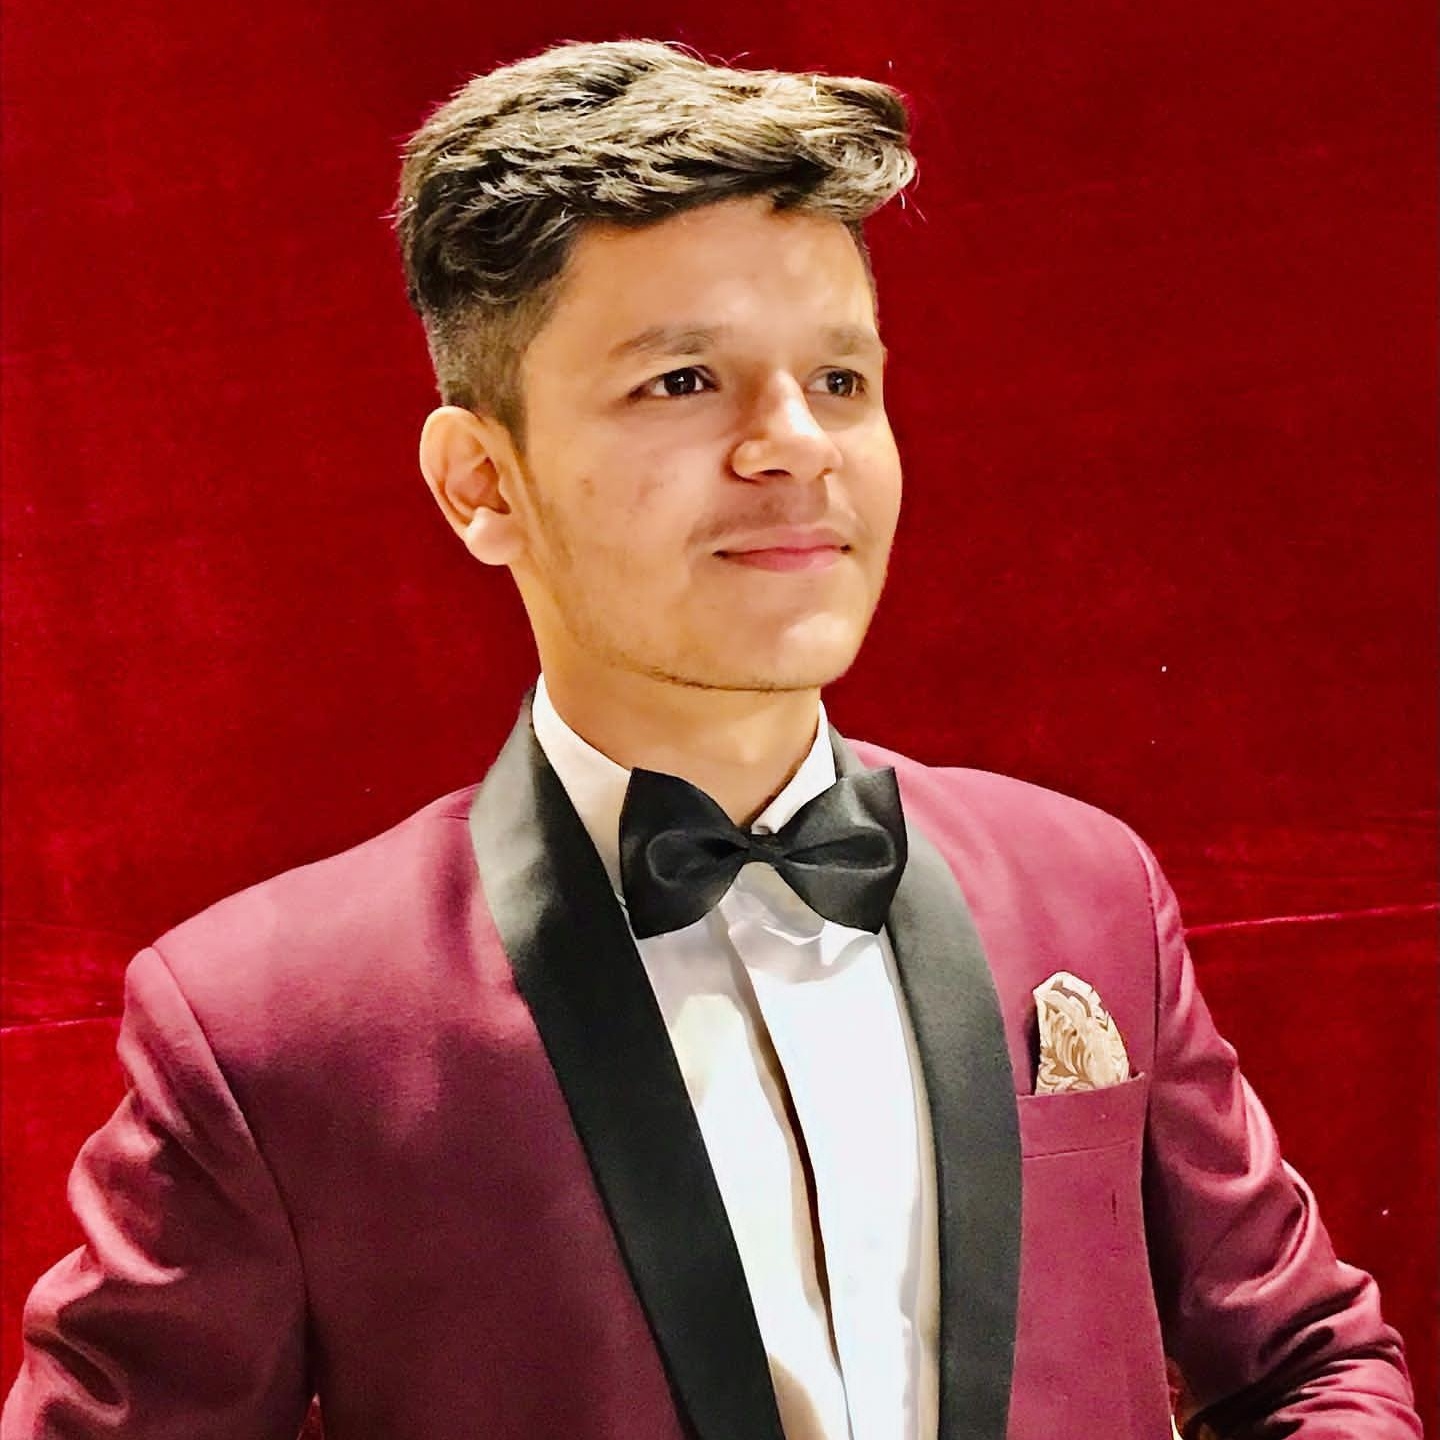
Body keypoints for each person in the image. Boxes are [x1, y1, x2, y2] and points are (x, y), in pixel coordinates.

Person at [2, 38, 1421, 1440]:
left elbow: (1314, 1365)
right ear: (481, 481)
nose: (795, 442)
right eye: (683, 381)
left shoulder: (1086, 889)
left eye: (842, 379)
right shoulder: (271, 1027)